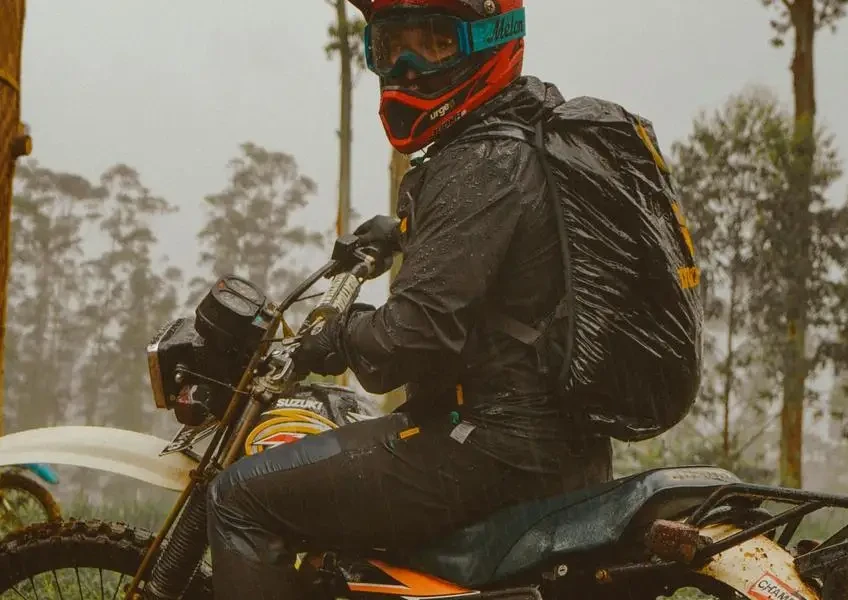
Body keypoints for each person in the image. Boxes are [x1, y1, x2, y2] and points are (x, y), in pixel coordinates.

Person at [206, 0, 687, 597]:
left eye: (433, 42)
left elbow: (410, 338)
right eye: (389, 46)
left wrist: (338, 335)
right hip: (555, 446)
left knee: (240, 496)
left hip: (485, 449)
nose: (407, 67)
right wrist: (407, 232)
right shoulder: (522, 133)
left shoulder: (480, 158)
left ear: (488, 41)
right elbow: (508, 261)